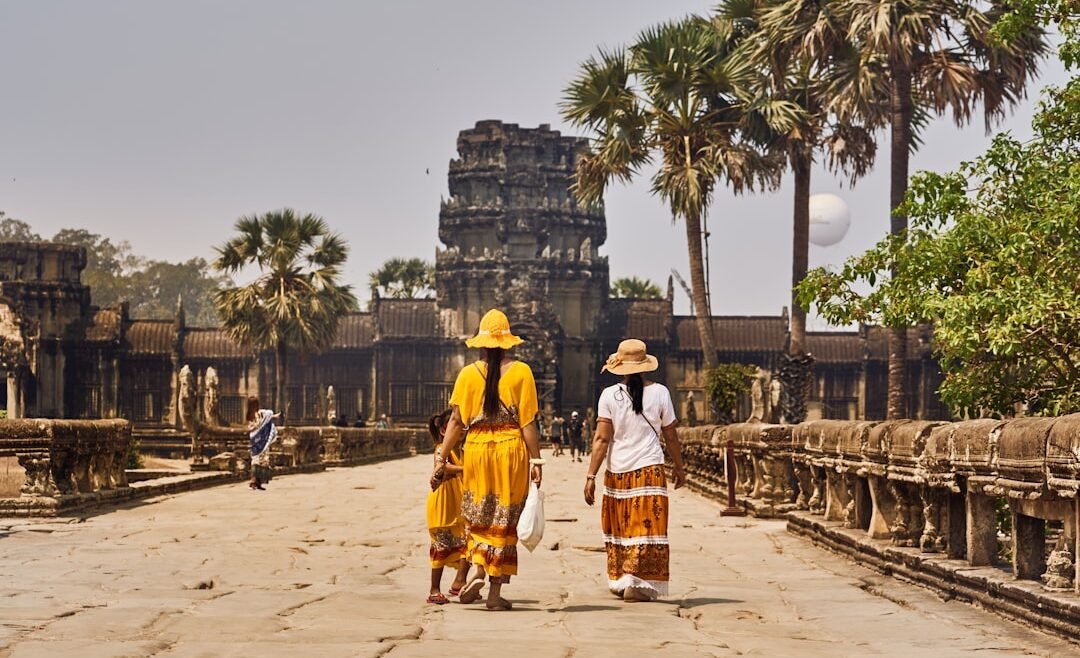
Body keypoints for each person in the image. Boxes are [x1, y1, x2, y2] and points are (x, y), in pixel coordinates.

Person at [430, 308, 543, 611]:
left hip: (477, 450)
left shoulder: (468, 374)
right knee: (504, 518)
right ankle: (494, 593)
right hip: (510, 450)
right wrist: (537, 462)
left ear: (480, 342)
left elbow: (455, 421)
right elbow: (528, 424)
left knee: (479, 514)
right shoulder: (522, 372)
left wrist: (441, 458)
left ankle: (478, 568)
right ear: (508, 342)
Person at [584, 339, 687, 602]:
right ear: (644, 365)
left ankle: (623, 578)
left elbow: (601, 440)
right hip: (650, 469)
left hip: (618, 470)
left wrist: (590, 476)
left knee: (622, 526)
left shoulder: (609, 395)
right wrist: (679, 467)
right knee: (648, 527)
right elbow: (671, 436)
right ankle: (638, 582)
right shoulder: (661, 392)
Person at [425, 408, 471, 605]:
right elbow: (442, 467)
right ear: (444, 430)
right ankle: (434, 589)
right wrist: (465, 468)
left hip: (458, 504)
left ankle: (459, 582)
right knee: (441, 547)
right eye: (457, 427)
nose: (461, 432)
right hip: (443, 506)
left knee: (468, 545)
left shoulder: (460, 450)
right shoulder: (441, 449)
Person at [246, 396, 279, 491]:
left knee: (261, 461)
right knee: (257, 460)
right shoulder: (252, 415)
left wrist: (276, 415)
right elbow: (252, 427)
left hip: (259, 439)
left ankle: (258, 482)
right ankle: (253, 481)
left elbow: (269, 416)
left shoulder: (258, 413)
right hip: (258, 439)